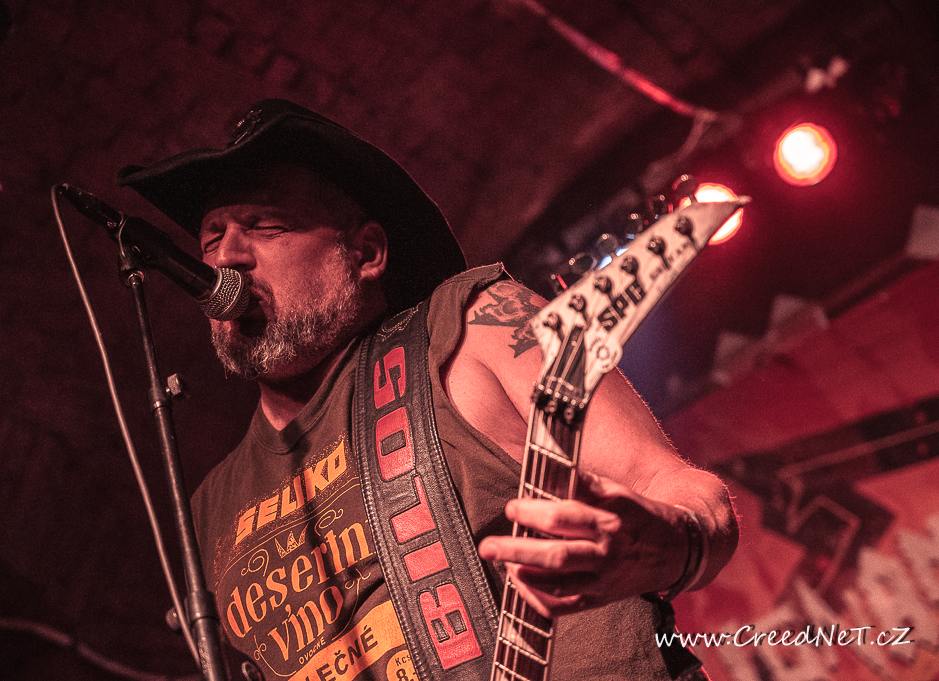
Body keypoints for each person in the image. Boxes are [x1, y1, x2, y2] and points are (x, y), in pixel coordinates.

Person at [118, 99, 738, 681]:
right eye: (211, 238)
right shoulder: (207, 512)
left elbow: (677, 487)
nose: (226, 257)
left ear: (365, 253)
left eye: (267, 226)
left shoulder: (468, 327)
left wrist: (666, 545)